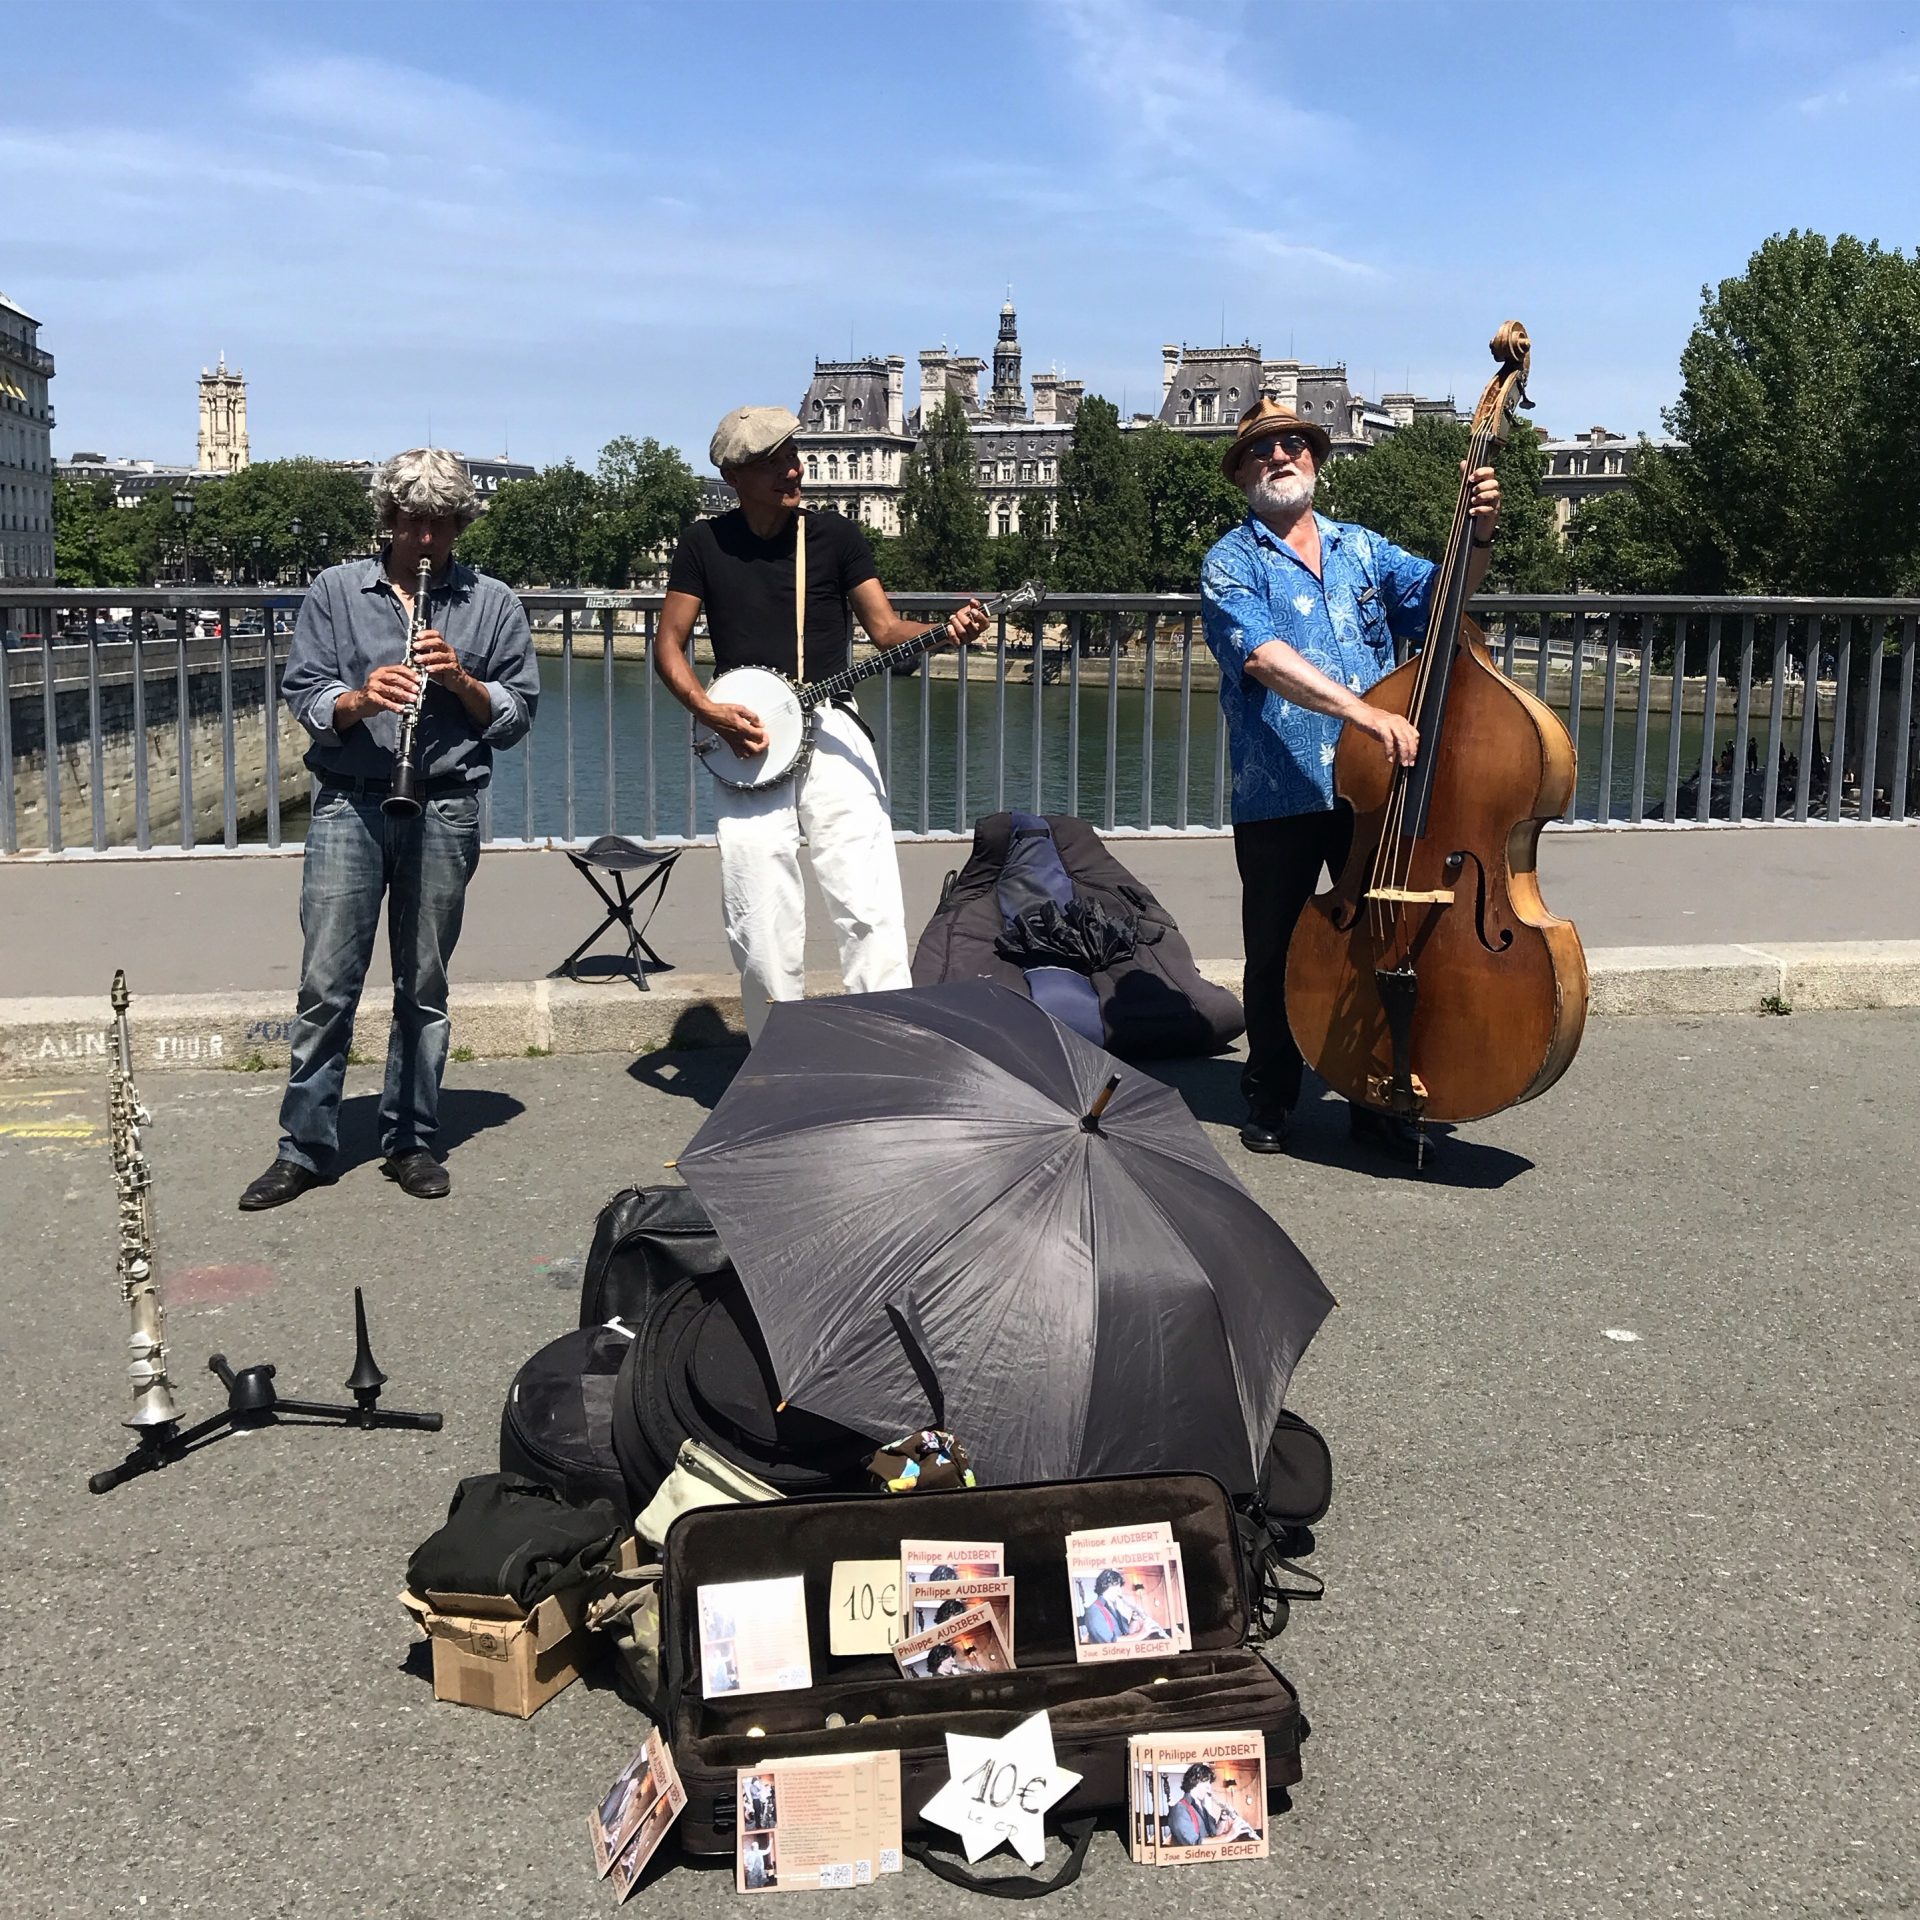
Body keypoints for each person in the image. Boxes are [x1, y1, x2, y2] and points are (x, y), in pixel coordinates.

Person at [1199, 398, 1500, 1163]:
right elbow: (1262, 658)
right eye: (1263, 449)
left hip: (1372, 788)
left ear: (1315, 463)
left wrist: (1478, 531)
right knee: (1273, 951)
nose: (1280, 456)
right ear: (1241, 472)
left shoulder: (1363, 549)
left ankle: (1376, 1092)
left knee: (1382, 940)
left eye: (1294, 445)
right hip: (1280, 789)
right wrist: (1365, 714)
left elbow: (1445, 601)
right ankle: (1272, 1090)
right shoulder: (1231, 560)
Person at [238, 449, 539, 1209]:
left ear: (461, 524)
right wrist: (363, 700)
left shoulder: (494, 602)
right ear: (389, 519)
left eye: (442, 523)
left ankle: (411, 1139)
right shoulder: (336, 591)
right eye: (413, 522)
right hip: (350, 800)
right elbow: (304, 692)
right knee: (326, 985)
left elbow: (516, 716)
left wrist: (464, 681)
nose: (427, 538)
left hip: (446, 803)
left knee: (423, 985)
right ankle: (304, 1146)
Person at [655, 407, 990, 1041]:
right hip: (745, 737)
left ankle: (891, 1053)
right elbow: (669, 643)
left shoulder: (835, 538)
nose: (795, 467)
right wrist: (707, 710)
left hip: (833, 728)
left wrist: (945, 632)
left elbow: (887, 631)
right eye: (776, 460)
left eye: (794, 453)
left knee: (867, 904)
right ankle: (781, 1053)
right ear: (735, 475)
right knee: (758, 912)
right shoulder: (704, 544)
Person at [1165, 1761, 1259, 1846]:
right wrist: (1228, 1837)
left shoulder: (1201, 1808)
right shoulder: (1180, 1809)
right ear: (1196, 1781)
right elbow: (1194, 1844)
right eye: (1207, 1783)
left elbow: (1214, 1834)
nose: (1209, 1788)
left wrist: (1223, 1818)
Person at [1079, 1567, 1150, 1645]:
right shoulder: (1093, 1611)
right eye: (1116, 1587)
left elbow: (1126, 1633)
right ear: (1105, 1586)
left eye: (1119, 1587)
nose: (1119, 1591)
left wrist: (1134, 1618)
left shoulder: (1112, 1608)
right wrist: (1140, 1634)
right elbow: (1110, 1642)